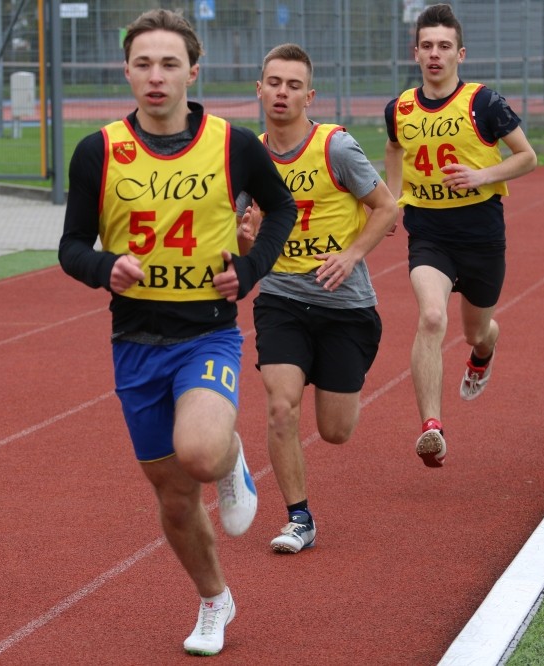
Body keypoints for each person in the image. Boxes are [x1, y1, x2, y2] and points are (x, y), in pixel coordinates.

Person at [58, 9, 296, 657]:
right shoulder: (98, 151)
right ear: (126, 72)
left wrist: (249, 268)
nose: (155, 76)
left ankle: (228, 455)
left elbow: (281, 207)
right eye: (143, 64)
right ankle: (214, 599)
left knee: (198, 454)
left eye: (169, 64)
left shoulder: (232, 144)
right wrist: (105, 267)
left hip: (206, 334)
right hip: (135, 342)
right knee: (173, 496)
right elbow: (71, 247)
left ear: (193, 71)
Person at [236, 44, 398, 554]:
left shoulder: (336, 148)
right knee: (281, 408)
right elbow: (240, 246)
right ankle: (299, 518)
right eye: (273, 83)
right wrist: (245, 238)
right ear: (259, 89)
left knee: (336, 430)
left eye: (293, 85)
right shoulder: (246, 158)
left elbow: (386, 207)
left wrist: (351, 255)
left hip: (345, 305)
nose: (281, 93)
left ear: (309, 96)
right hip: (281, 298)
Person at [383, 3, 537, 467]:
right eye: (427, 46)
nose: (435, 54)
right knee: (432, 317)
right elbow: (393, 148)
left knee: (475, 331)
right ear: (415, 52)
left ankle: (484, 350)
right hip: (429, 234)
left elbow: (527, 157)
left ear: (460, 53)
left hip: (481, 235)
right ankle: (432, 428)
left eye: (444, 46)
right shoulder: (399, 108)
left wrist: (481, 175)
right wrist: (393, 199)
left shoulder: (483, 103)